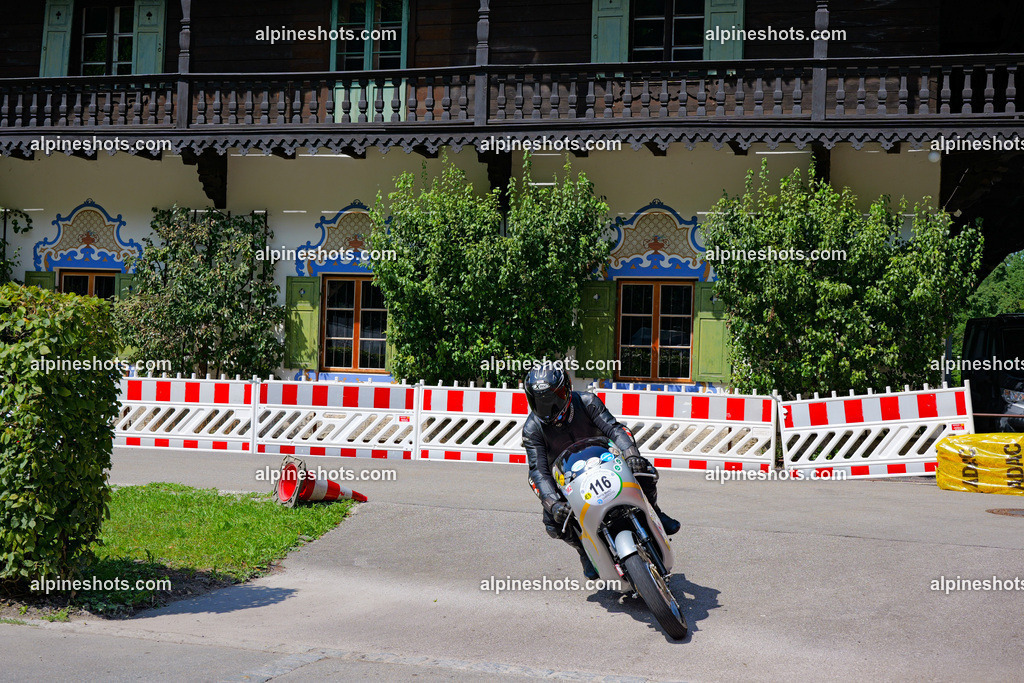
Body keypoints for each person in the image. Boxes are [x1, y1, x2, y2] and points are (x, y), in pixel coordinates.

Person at [522, 362, 680, 579]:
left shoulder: (587, 402)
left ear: (567, 389)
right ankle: (584, 551)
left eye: (552, 399)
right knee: (553, 523)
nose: (547, 407)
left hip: (606, 461)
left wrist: (631, 454)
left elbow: (615, 429)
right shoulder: (532, 429)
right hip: (567, 479)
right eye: (539, 401)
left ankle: (655, 513)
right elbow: (538, 471)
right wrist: (553, 502)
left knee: (645, 471)